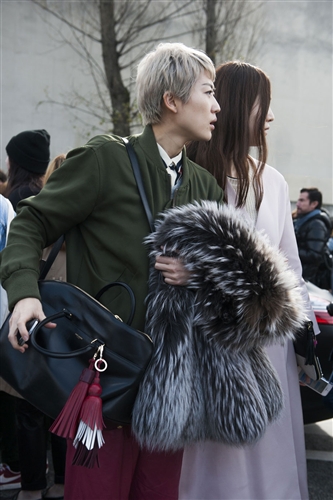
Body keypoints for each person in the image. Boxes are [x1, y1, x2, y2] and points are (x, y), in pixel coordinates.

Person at [0, 42, 223, 500]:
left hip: (173, 382)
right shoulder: (104, 160)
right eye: (208, 91)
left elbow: (227, 281)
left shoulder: (205, 185)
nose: (217, 105)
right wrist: (24, 293)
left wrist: (197, 271)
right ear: (172, 99)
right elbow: (31, 221)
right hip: (104, 373)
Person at [179, 61, 320, 500]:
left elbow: (291, 266)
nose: (271, 117)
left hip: (266, 342)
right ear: (242, 106)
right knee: (214, 455)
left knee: (264, 455)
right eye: (265, 104)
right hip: (206, 340)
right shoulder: (188, 174)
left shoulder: (273, 181)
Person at [2, 136, 66, 500]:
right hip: (60, 316)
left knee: (27, 408)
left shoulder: (18, 204)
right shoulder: (59, 210)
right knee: (57, 404)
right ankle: (58, 482)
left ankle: (30, 485)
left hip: (26, 311)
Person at [294, 188, 332, 289]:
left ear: (314, 203)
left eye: (302, 200)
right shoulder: (303, 221)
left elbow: (314, 255)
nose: (298, 204)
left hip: (311, 282)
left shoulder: (316, 224)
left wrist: (290, 250)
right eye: (298, 200)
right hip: (304, 277)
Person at [4, 129, 50, 210]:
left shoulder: (19, 197)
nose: (6, 161)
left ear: (18, 163)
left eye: (9, 156)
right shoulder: (45, 192)